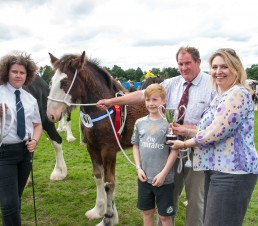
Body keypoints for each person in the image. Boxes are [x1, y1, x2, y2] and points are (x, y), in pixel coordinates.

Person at [97, 46, 215, 226]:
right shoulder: (171, 83)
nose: (183, 68)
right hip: (168, 147)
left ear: (198, 62)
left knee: (195, 200)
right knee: (168, 194)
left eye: (188, 63)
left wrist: (190, 128)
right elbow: (142, 94)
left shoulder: (212, 85)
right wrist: (112, 101)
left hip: (197, 148)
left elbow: (216, 122)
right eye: (180, 64)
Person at [169, 48, 258, 226]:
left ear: (236, 68)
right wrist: (187, 131)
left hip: (233, 172)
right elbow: (213, 128)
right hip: (218, 169)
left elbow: (214, 133)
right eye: (215, 67)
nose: (218, 72)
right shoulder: (222, 95)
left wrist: (184, 143)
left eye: (224, 67)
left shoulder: (237, 94)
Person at [0, 52, 43, 225]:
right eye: (14, 71)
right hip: (0, 152)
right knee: (8, 203)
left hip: (24, 153)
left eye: (22, 73)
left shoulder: (30, 99)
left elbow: (37, 125)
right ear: (6, 72)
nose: (18, 75)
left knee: (15, 199)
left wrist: (35, 140)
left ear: (28, 75)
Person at [131, 83, 178, 226]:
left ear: (163, 100)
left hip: (163, 180)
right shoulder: (140, 123)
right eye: (148, 100)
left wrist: (163, 174)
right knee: (147, 212)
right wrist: (138, 168)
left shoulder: (169, 124)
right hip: (144, 178)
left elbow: (174, 150)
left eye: (155, 100)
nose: (151, 103)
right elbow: (136, 146)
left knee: (164, 217)